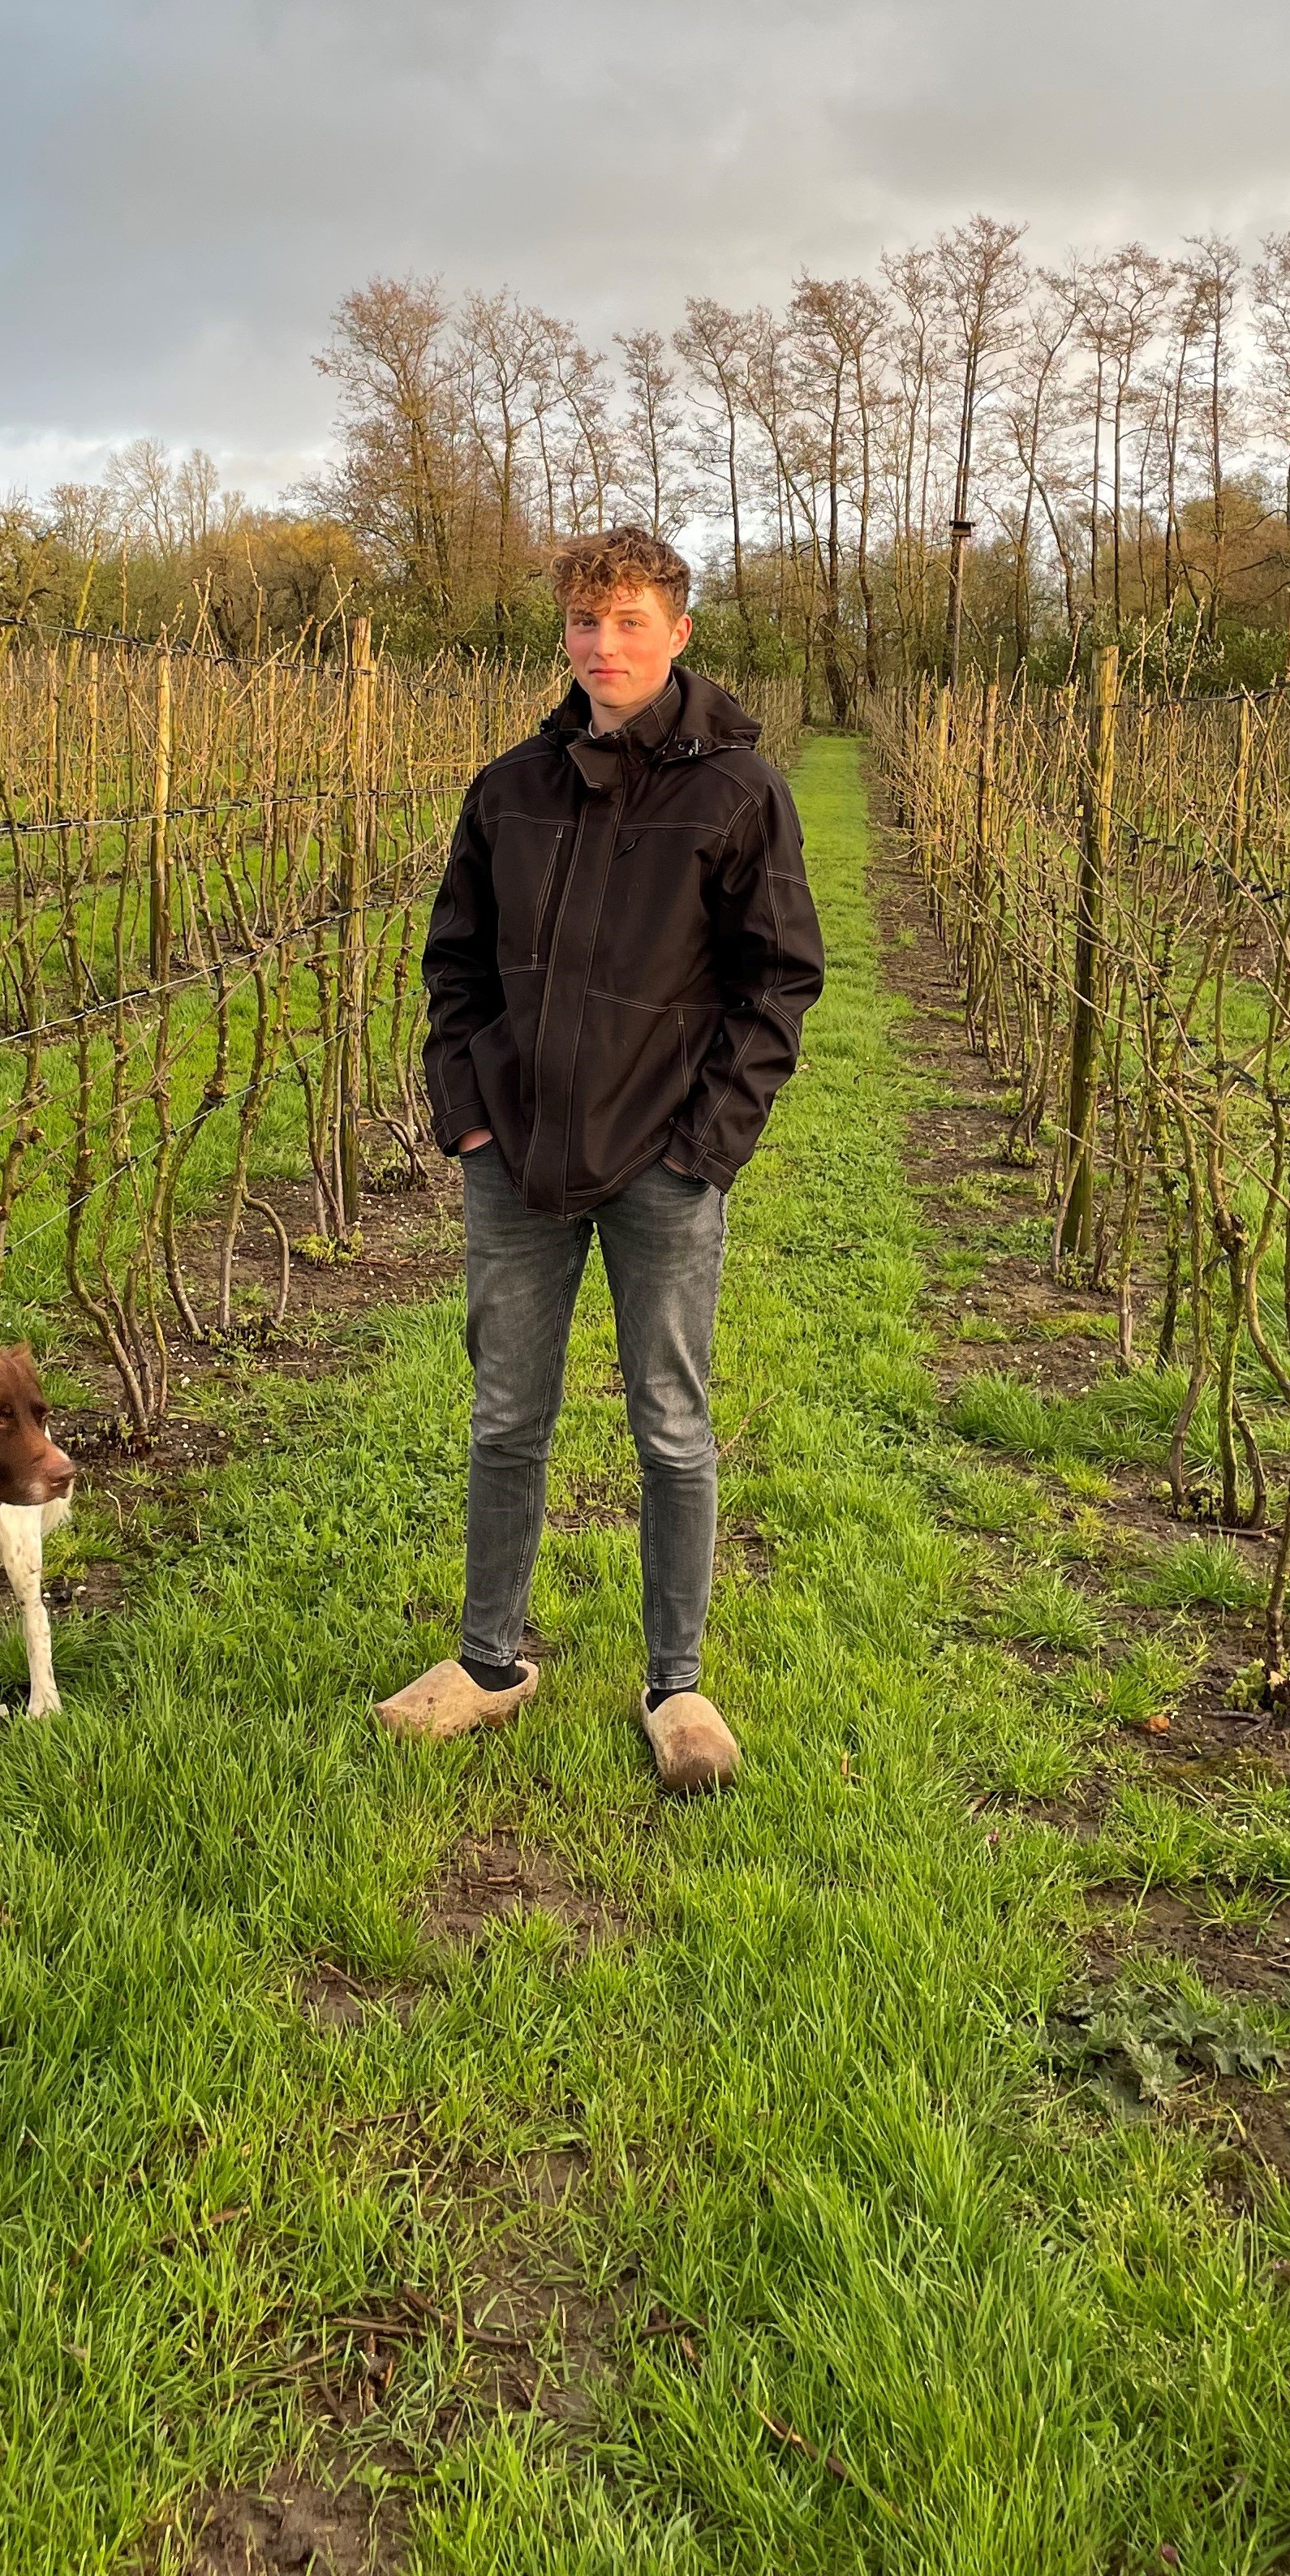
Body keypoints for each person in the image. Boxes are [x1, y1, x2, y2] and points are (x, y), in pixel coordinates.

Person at [376, 527, 824, 1789]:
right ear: (564, 635)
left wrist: (706, 1148)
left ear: (679, 631)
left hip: (662, 1165)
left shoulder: (740, 794)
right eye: (585, 622)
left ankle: (678, 1686)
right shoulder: (509, 787)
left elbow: (778, 984)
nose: (604, 645)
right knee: (507, 1415)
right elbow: (455, 965)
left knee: (671, 1424)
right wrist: (468, 1113)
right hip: (513, 1154)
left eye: (629, 621)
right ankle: (487, 1660)